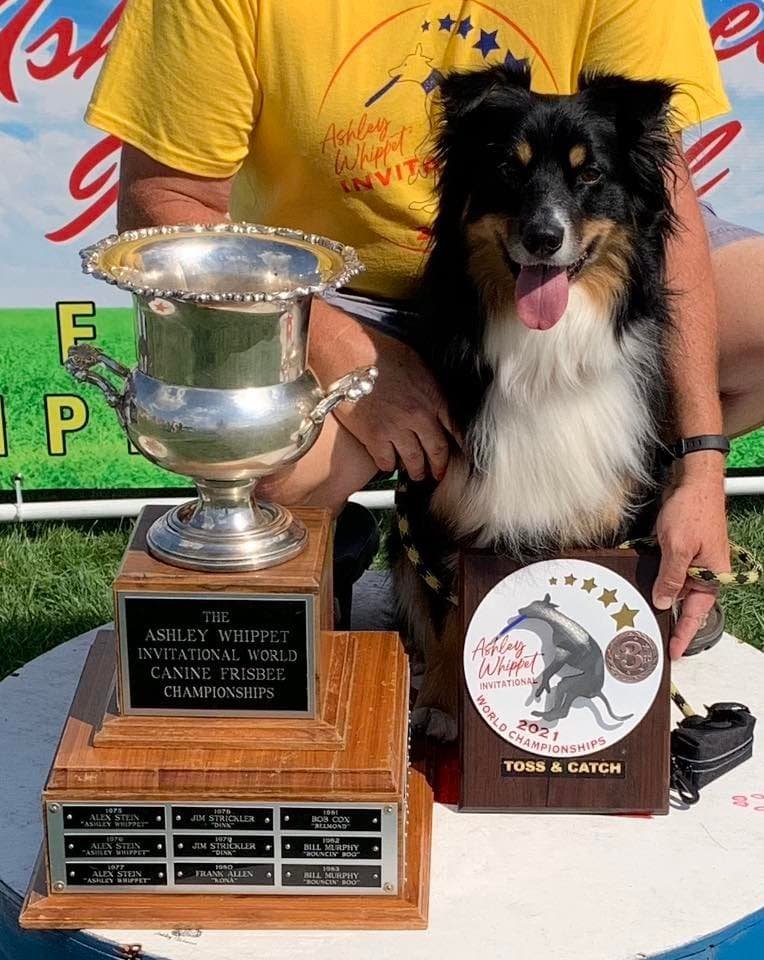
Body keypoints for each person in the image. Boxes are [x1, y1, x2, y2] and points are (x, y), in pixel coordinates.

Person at [86, 0, 764, 658]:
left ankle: (632, 536)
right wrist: (349, 356)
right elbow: (164, 205)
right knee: (272, 480)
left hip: (544, 282)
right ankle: (341, 546)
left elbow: (662, 191)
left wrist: (700, 467)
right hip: (331, 296)